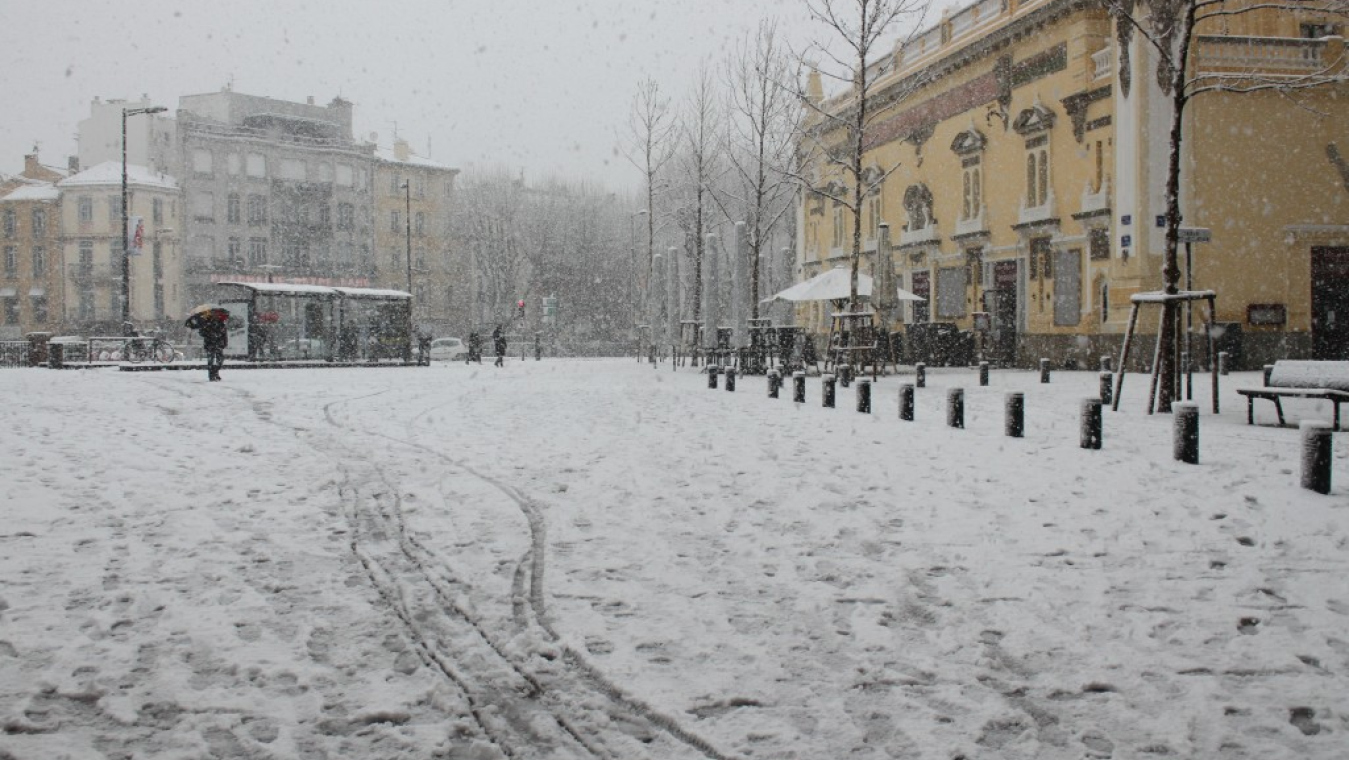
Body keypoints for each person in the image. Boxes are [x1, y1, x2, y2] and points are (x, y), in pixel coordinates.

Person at [187, 308, 229, 381]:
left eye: (217, 314)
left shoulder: (221, 322)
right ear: (211, 314)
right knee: (210, 361)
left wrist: (225, 342)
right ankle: (211, 375)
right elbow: (201, 333)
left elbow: (224, 334)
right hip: (209, 344)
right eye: (214, 313)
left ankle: (215, 372)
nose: (216, 315)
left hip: (219, 344)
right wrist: (209, 334)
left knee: (220, 361)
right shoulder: (206, 322)